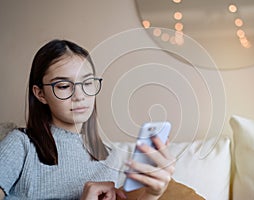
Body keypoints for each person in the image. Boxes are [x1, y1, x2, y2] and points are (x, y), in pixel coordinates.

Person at [0, 39, 175, 200]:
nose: (80, 96)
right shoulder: (20, 145)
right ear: (40, 94)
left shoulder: (109, 157)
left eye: (88, 83)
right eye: (63, 86)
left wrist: (152, 194)